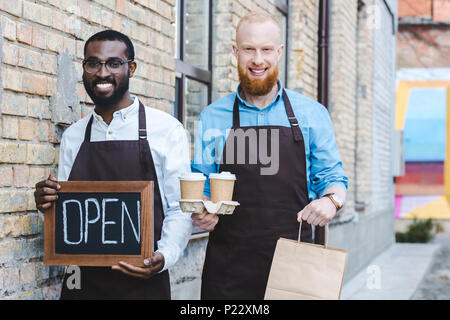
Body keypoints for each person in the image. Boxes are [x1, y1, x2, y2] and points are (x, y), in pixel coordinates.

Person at [191, 12, 348, 300]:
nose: (258, 59)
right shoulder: (213, 117)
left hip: (296, 263)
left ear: (279, 52)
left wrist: (332, 201)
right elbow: (201, 186)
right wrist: (201, 212)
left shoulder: (312, 114)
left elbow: (333, 178)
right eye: (249, 49)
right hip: (229, 269)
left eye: (266, 50)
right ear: (235, 52)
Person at [34, 30, 192, 299]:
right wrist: (46, 205)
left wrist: (163, 256)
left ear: (131, 68)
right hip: (81, 283)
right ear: (84, 69)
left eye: (113, 63)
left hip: (144, 281)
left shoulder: (166, 130)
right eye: (93, 63)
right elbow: (69, 216)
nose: (102, 73)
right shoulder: (74, 136)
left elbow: (181, 208)